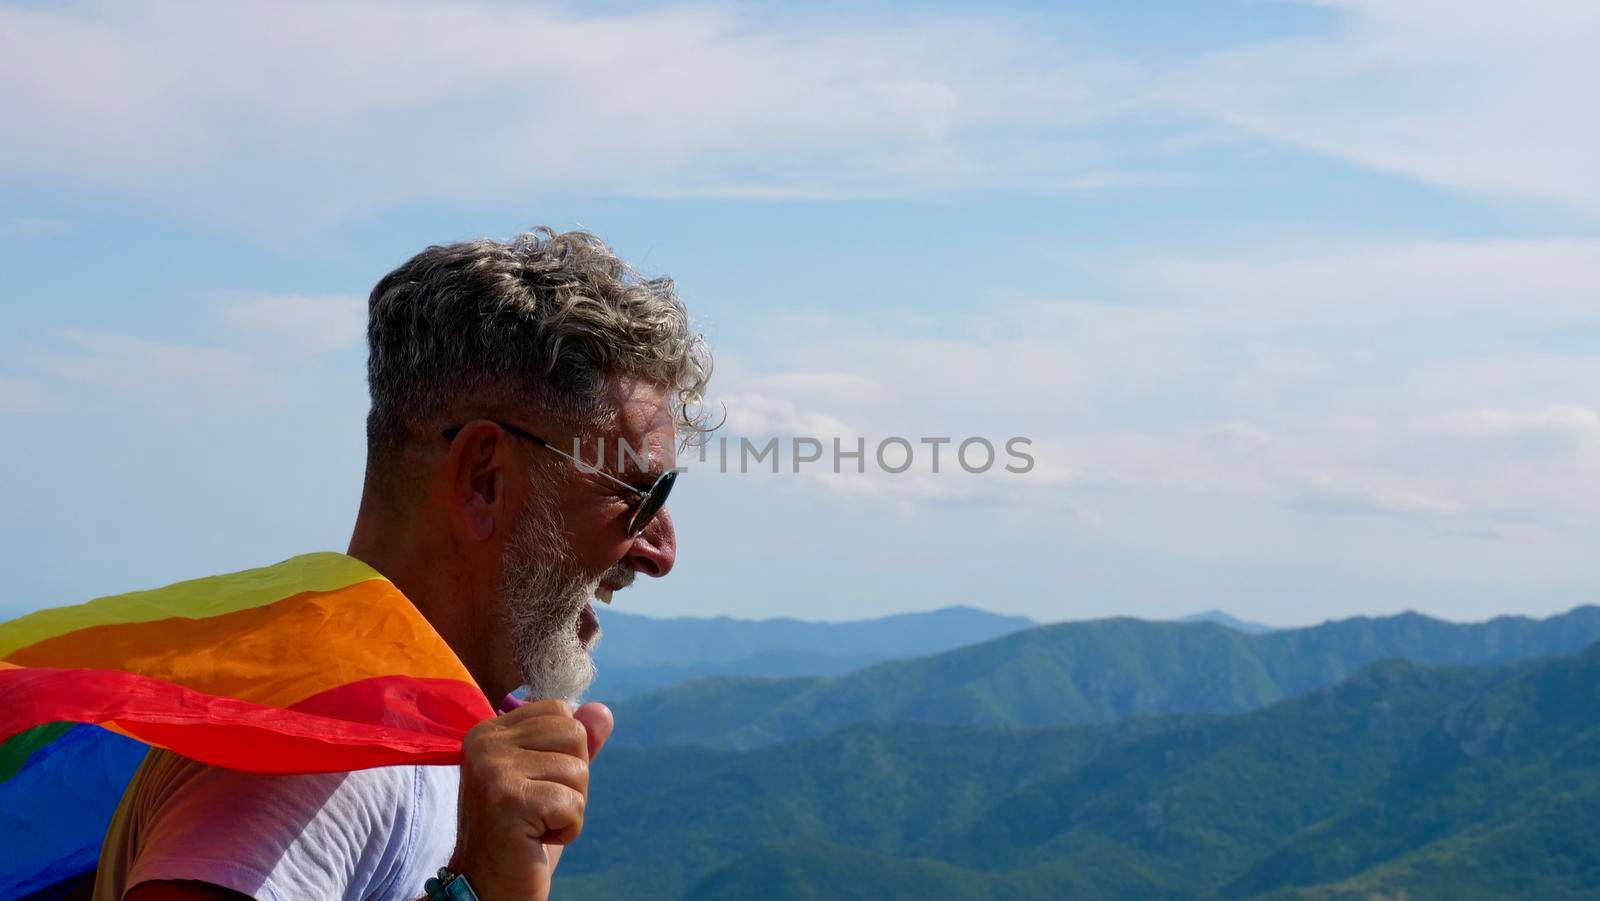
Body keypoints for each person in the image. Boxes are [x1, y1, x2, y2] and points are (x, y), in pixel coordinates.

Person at [93, 228, 713, 901]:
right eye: (639, 493)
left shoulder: (400, 719)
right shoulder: (322, 763)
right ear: (483, 479)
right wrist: (476, 889)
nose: (661, 552)